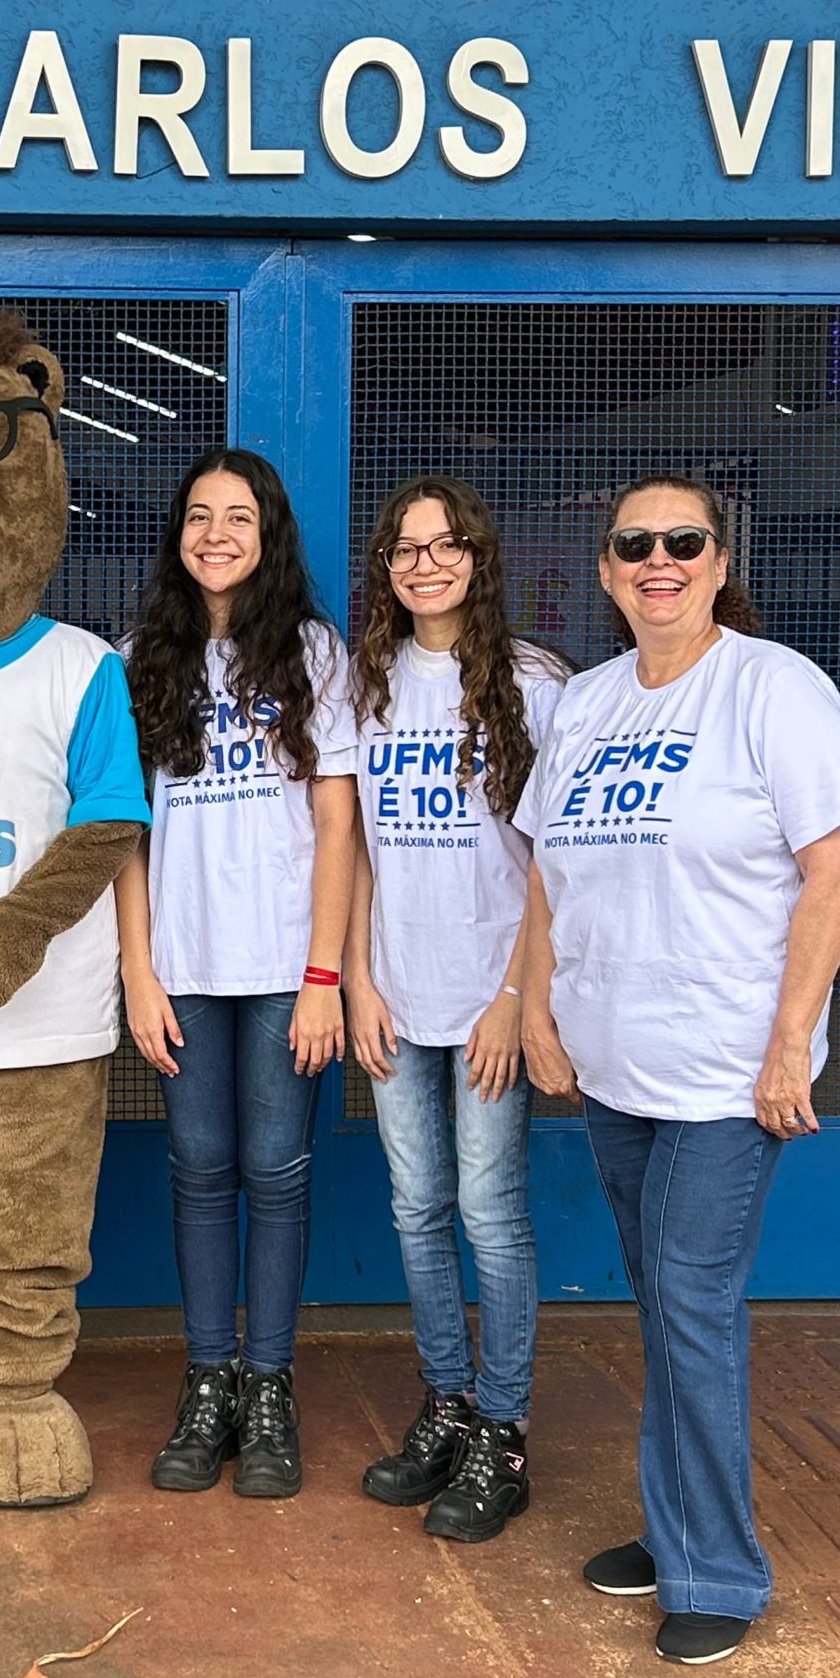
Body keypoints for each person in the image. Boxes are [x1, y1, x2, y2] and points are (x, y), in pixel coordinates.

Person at [517, 475, 840, 1666]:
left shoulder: (772, 686)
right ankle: (675, 1529)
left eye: (684, 542)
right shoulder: (588, 701)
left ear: (720, 563)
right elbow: (545, 871)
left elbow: (838, 865)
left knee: (691, 1302)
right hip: (617, 1065)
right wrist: (538, 1010)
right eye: (634, 544)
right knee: (665, 1305)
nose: (657, 561)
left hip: (727, 1072)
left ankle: (716, 1568)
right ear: (608, 570)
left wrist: (790, 1044)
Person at [118, 449, 358, 1501]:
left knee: (276, 1169)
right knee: (199, 1167)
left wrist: (324, 975)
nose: (217, 535)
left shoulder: (312, 652)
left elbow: (338, 824)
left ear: (269, 538)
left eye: (239, 518)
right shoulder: (137, 659)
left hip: (281, 966)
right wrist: (137, 972)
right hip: (183, 961)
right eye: (200, 516)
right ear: (178, 533)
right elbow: (123, 832)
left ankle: (269, 1386)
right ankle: (208, 1378)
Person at [344, 476, 568, 1543]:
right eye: (405, 548)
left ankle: (503, 1430)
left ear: (478, 557)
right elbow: (352, 848)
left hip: (489, 997)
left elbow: (553, 862)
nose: (424, 564)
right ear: (384, 569)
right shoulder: (365, 686)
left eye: (444, 545)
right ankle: (445, 1404)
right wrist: (356, 979)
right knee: (416, 1208)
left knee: (490, 1212)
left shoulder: (534, 684)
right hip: (396, 993)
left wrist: (517, 1000)